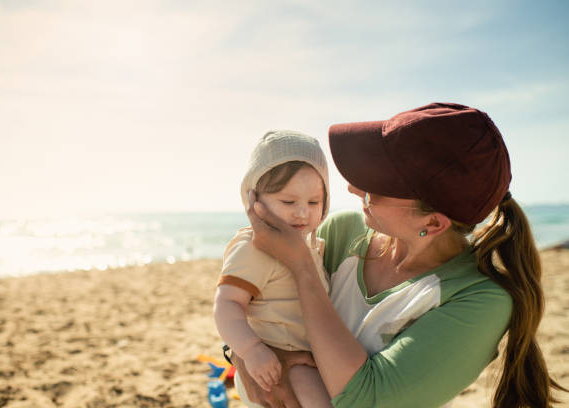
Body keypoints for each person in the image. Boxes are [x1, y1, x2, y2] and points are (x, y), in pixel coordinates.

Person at [233, 103, 567, 407]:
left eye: (376, 186)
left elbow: (367, 399)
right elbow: (263, 304)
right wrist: (245, 353)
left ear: (433, 222)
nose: (353, 188)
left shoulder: (478, 301)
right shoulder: (343, 231)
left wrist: (303, 267)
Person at [213, 130, 333, 408]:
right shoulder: (254, 247)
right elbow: (227, 303)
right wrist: (251, 350)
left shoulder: (314, 246)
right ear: (254, 199)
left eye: (314, 202)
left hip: (306, 357)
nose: (302, 212)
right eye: (288, 202)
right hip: (271, 363)